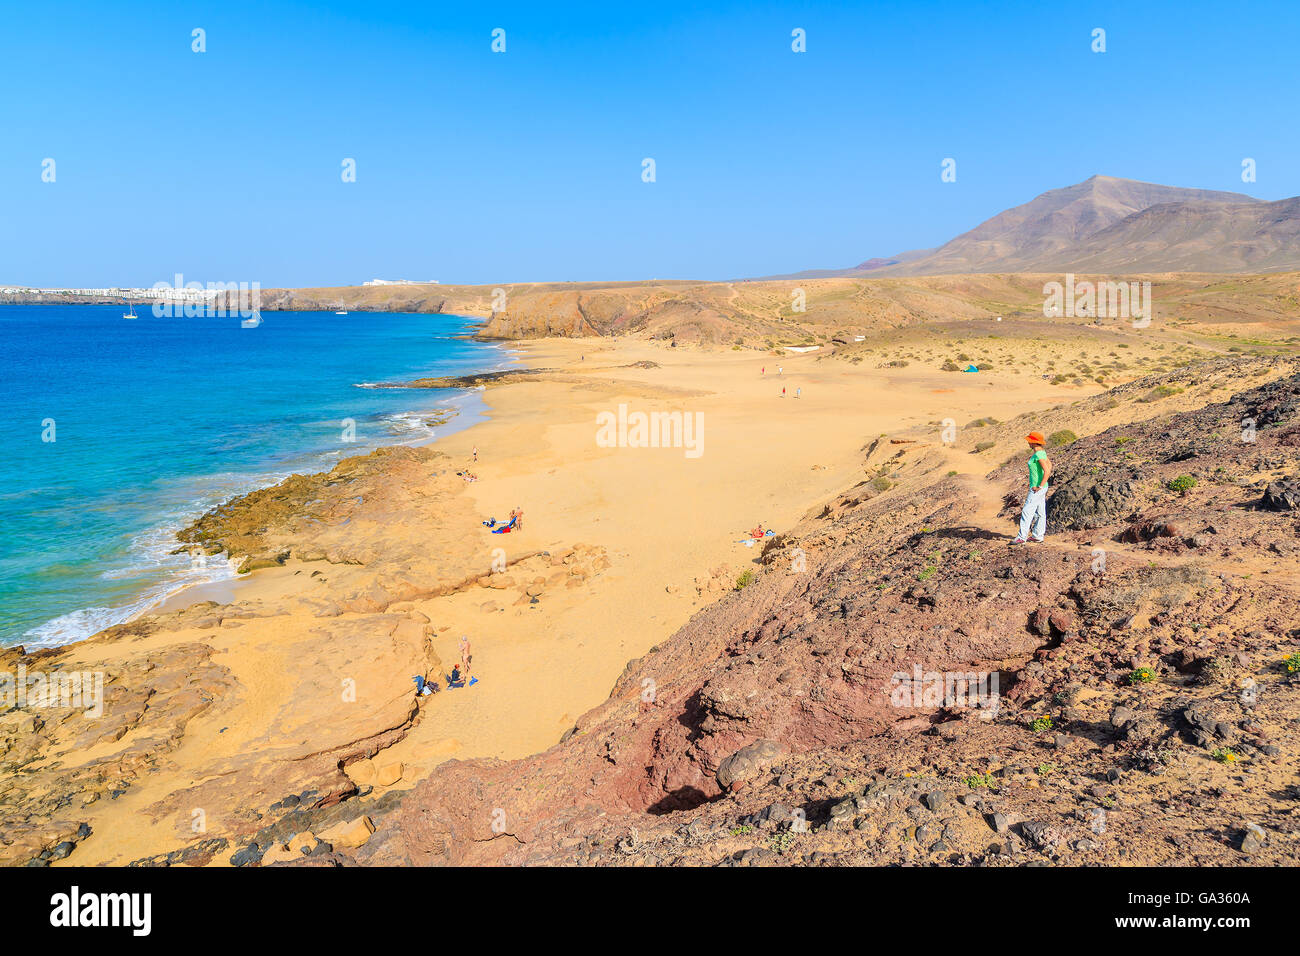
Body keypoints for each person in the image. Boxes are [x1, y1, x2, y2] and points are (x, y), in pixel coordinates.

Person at [1012, 432, 1052, 544]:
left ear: (1034, 442)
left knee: (1027, 511)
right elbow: (1050, 465)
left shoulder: (1038, 454)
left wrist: (1040, 485)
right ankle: (1038, 536)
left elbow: (1047, 470)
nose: (1028, 442)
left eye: (1029, 441)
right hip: (1042, 488)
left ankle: (1021, 537)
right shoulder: (1042, 453)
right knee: (1040, 512)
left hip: (1037, 488)